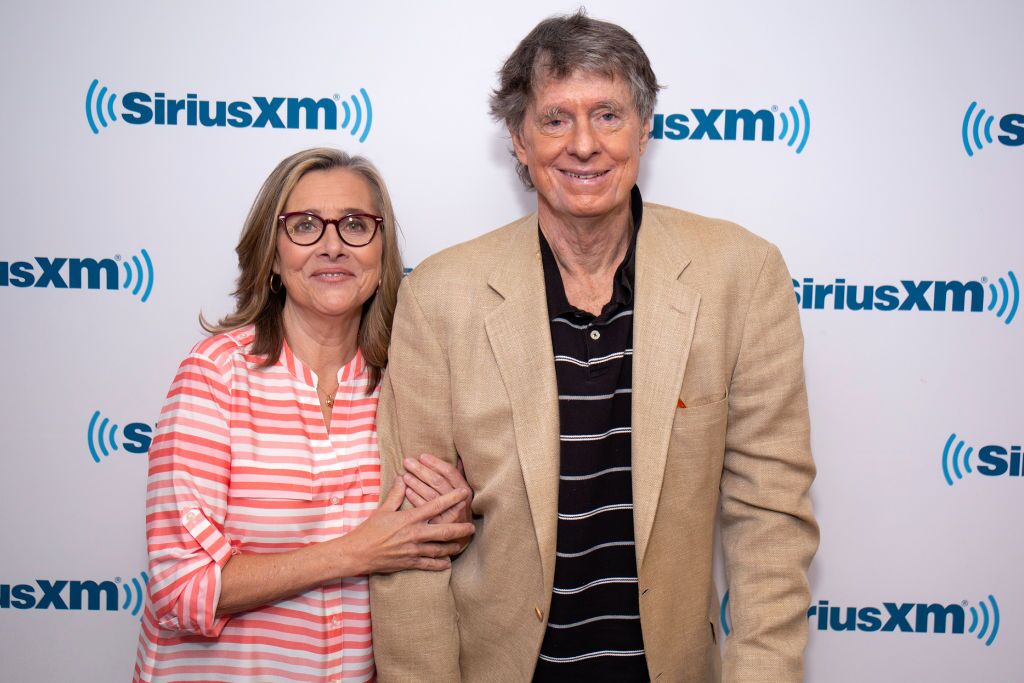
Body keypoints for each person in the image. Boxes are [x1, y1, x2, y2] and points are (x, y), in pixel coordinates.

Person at [370, 11, 818, 682]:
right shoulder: (441, 294)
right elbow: (414, 550)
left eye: (608, 114)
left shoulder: (741, 275)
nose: (584, 144)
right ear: (519, 141)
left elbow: (770, 519)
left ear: (644, 128)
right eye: (555, 120)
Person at [132, 148, 474, 683]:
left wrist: (451, 522)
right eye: (306, 226)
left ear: (381, 252)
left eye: (356, 225)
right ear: (271, 255)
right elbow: (183, 588)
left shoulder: (405, 383)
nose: (333, 245)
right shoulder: (216, 375)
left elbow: (424, 537)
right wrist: (354, 552)